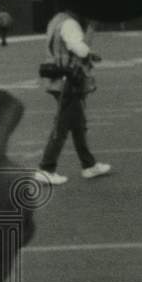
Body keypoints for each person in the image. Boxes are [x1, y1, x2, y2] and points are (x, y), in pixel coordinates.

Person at [35, 11, 111, 185]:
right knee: (61, 126)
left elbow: (64, 46)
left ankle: (88, 164)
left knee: (78, 125)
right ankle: (46, 168)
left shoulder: (56, 20)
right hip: (67, 81)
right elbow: (80, 50)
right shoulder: (71, 24)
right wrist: (91, 29)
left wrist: (88, 52)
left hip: (58, 78)